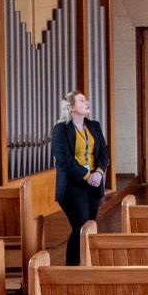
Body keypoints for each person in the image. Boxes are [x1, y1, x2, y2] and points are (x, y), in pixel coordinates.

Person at [51, 90, 108, 266]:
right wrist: (87, 175)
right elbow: (64, 160)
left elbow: (103, 153)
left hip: (94, 183)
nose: (87, 102)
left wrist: (99, 172)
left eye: (86, 99)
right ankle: (73, 268)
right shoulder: (61, 129)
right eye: (82, 100)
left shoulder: (94, 126)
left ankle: (85, 265)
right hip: (72, 185)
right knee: (80, 226)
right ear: (71, 107)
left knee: (89, 226)